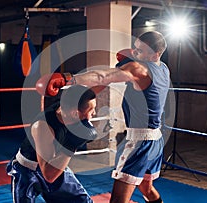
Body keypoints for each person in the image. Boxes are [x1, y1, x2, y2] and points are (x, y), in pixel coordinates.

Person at [38, 31, 170, 203]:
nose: (135, 53)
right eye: (135, 49)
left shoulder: (138, 69)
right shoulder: (164, 69)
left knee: (117, 200)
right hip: (155, 140)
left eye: (140, 51)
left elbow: (103, 76)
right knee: (147, 188)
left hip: (139, 141)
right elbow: (107, 80)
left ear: (156, 54)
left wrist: (67, 79)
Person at [6, 85, 98, 203]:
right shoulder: (43, 127)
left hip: (54, 164)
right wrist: (71, 146)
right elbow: (49, 175)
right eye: (91, 110)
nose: (94, 113)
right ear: (75, 113)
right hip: (28, 171)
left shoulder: (67, 108)